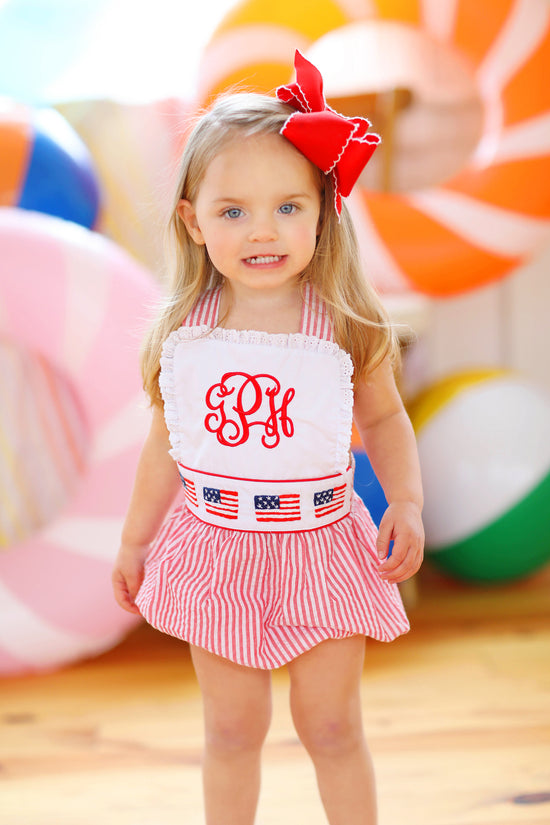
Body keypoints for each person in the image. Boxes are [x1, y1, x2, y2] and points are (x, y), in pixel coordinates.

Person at [112, 50, 424, 825]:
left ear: (324, 209)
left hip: (322, 544)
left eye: (289, 207)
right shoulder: (186, 334)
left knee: (330, 724)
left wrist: (409, 501)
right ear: (193, 219)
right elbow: (166, 446)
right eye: (234, 211)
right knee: (230, 727)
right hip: (215, 548)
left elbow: (385, 419)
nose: (263, 230)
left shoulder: (347, 323)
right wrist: (134, 539)